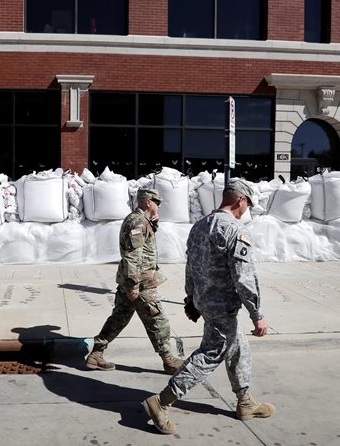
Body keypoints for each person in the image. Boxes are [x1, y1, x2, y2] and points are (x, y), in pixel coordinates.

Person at [142, 178, 275, 434]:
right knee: (211, 354)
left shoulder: (199, 227)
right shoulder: (234, 231)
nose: (247, 209)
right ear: (241, 200)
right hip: (222, 305)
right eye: (248, 204)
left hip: (205, 302)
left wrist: (190, 298)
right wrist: (257, 314)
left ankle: (245, 401)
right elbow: (244, 277)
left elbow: (190, 266)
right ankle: (161, 401)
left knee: (238, 348)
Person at [86, 188, 184, 375]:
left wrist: (154, 224)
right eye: (157, 202)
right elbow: (132, 255)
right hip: (141, 282)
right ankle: (168, 360)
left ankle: (96, 354)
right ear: (148, 202)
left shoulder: (139, 220)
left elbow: (142, 244)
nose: (159, 206)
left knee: (119, 317)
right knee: (158, 320)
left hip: (132, 280)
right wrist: (134, 285)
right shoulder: (138, 222)